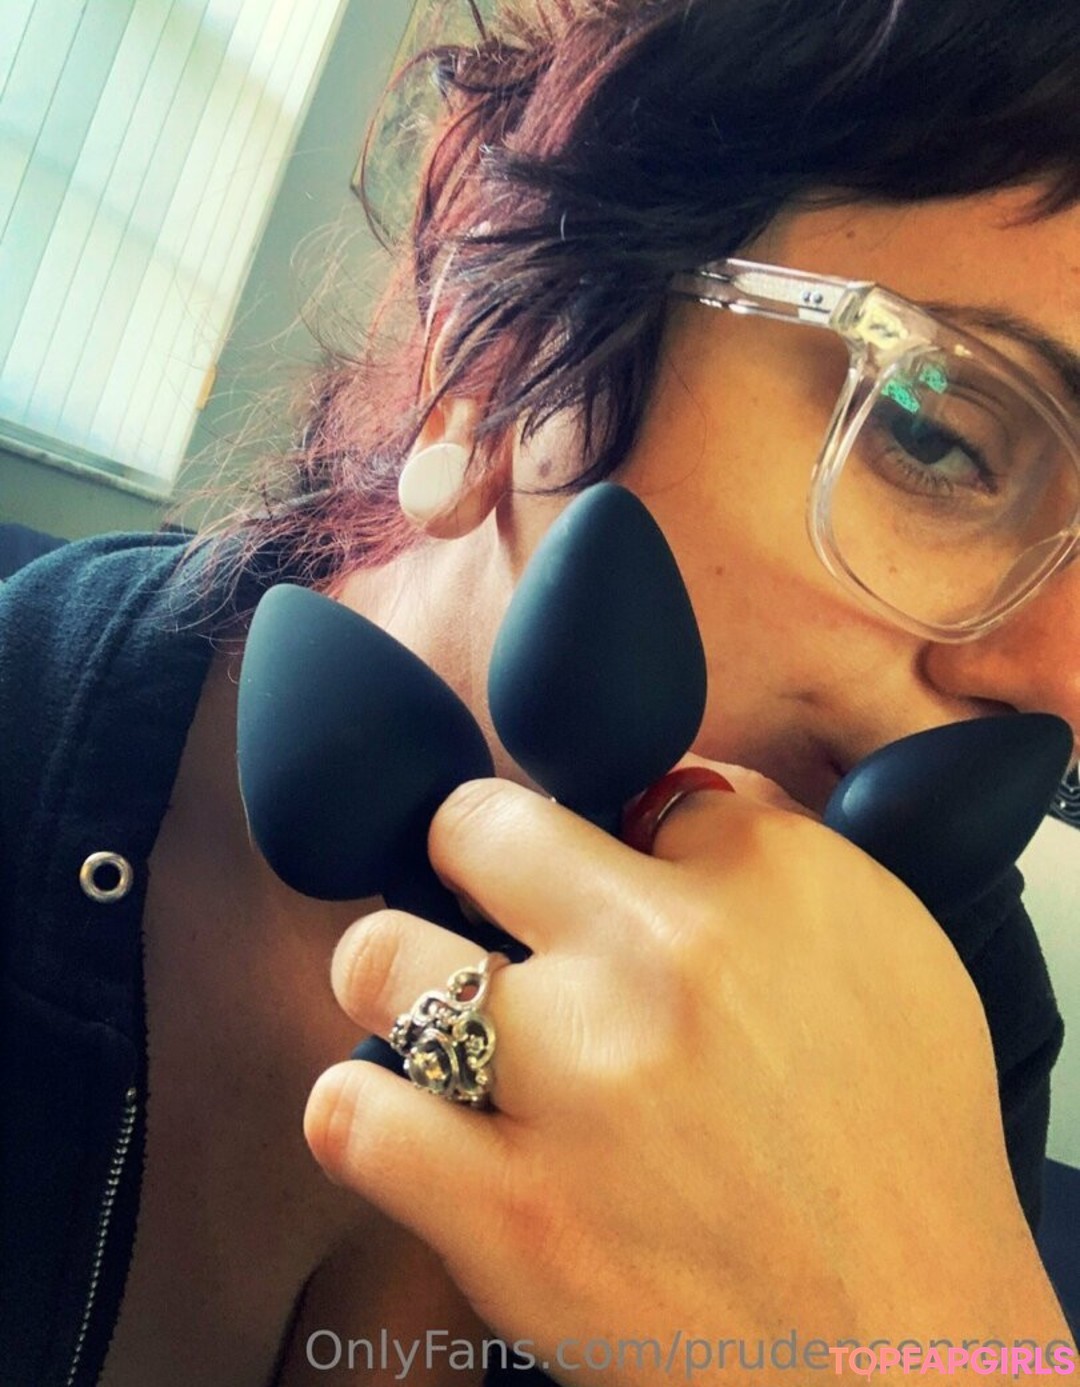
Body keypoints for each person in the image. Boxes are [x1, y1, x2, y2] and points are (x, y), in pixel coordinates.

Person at [1, 0, 1078, 1383]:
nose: (1060, 686)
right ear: (491, 358)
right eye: (937, 434)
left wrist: (946, 1341)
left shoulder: (957, 1007)